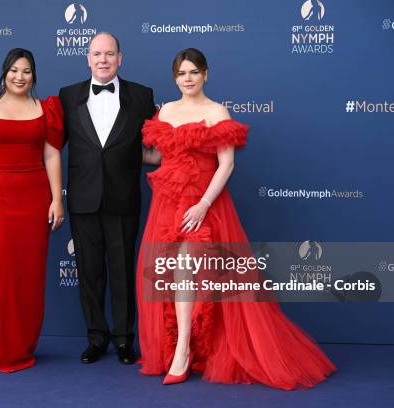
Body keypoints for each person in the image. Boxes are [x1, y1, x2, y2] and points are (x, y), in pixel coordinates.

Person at [137, 48, 336, 388]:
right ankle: (183, 348)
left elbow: (226, 164)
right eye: (182, 73)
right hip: (168, 202)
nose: (188, 78)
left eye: (194, 72)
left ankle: (182, 351)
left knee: (188, 268)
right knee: (169, 274)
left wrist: (202, 205)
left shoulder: (217, 112)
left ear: (206, 75)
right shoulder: (166, 110)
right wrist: (116, 149)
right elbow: (157, 155)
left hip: (204, 204)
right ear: (175, 78)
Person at [59, 32, 156, 365]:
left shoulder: (142, 96)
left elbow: (157, 146)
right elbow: (49, 147)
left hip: (123, 198)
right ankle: (96, 337)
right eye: (97, 54)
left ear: (120, 58)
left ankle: (124, 339)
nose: (103, 60)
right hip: (83, 199)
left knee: (123, 271)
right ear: (87, 58)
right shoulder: (67, 96)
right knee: (89, 273)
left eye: (110, 54)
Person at [0, 48, 64, 373]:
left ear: (33, 75)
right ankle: (5, 347)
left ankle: (25, 344)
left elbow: (51, 156)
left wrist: (56, 199)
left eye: (26, 71)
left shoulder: (45, 108)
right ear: (4, 73)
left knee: (31, 274)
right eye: (14, 71)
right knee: (4, 272)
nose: (20, 77)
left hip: (35, 197)